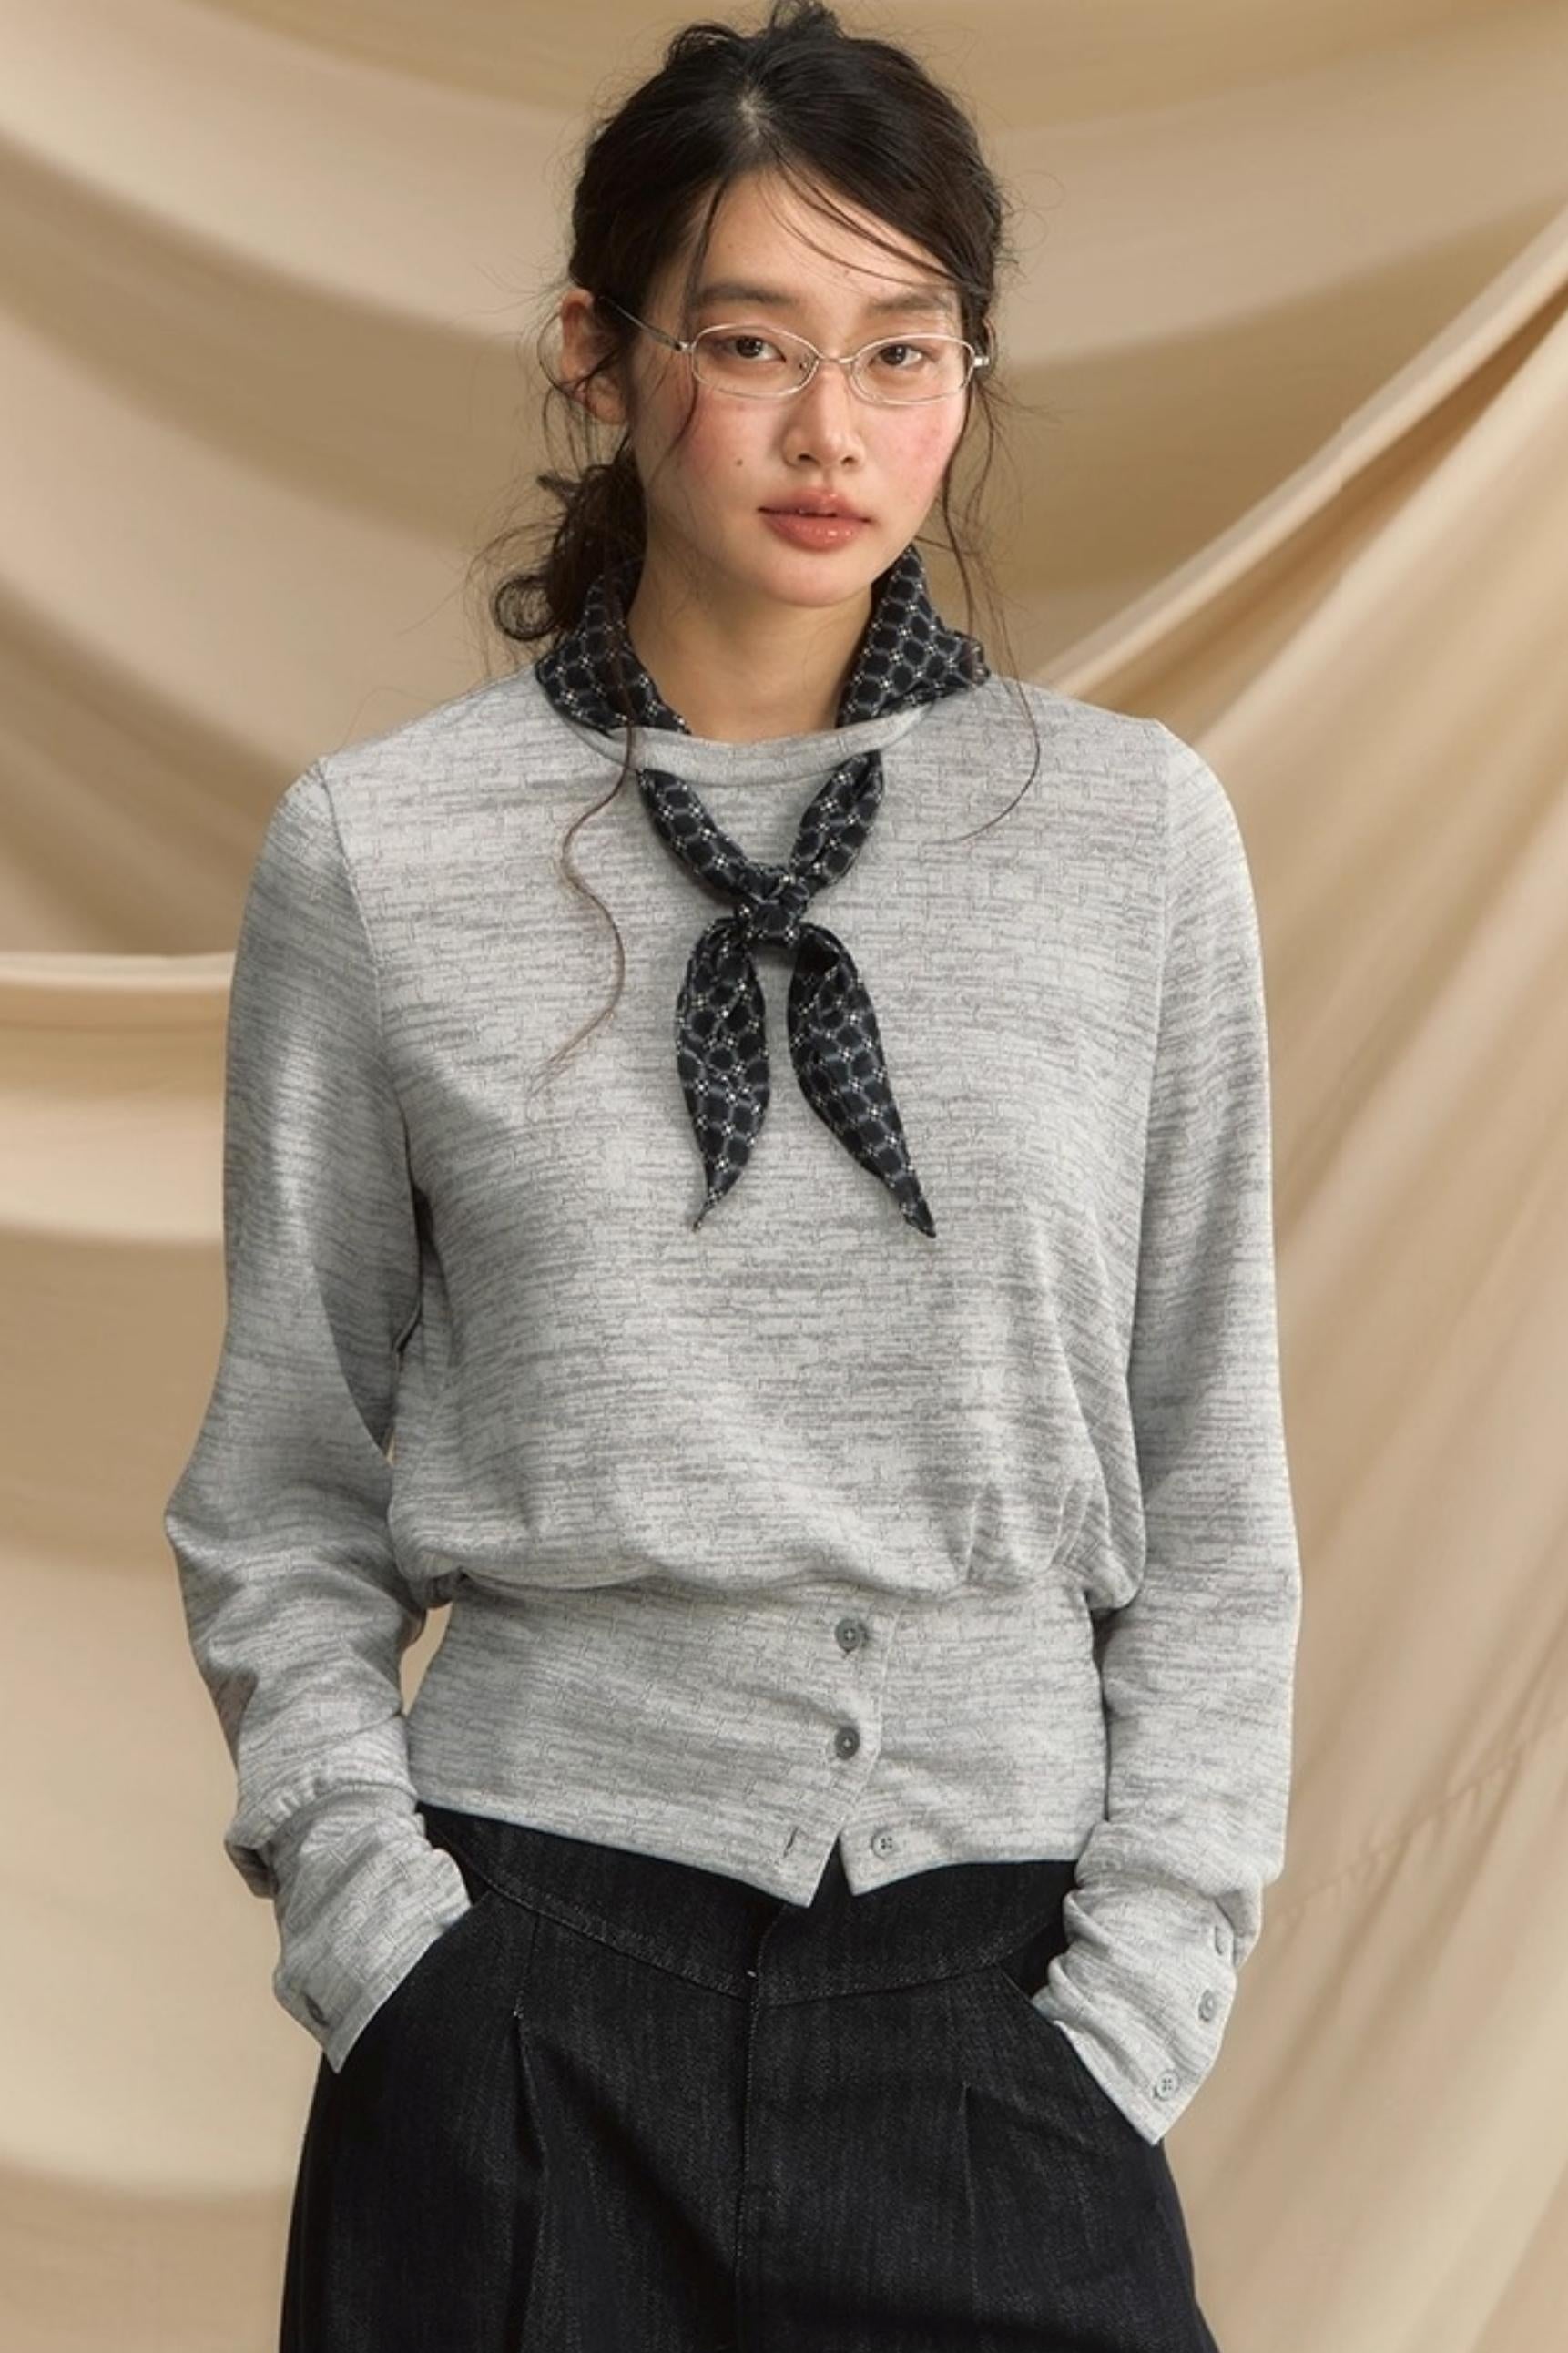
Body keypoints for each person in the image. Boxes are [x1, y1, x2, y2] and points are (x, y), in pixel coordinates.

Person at [162, 4, 1302, 2347]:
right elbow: (280, 1482)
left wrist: (1140, 1987)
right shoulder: (384, 852)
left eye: (903, 352)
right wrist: (386, 1943)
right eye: (754, 343)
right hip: (521, 1991)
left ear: (969, 373)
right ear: (600, 352)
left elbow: (1214, 1479)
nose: (831, 431)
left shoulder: (1129, 839)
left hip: (1011, 1995)